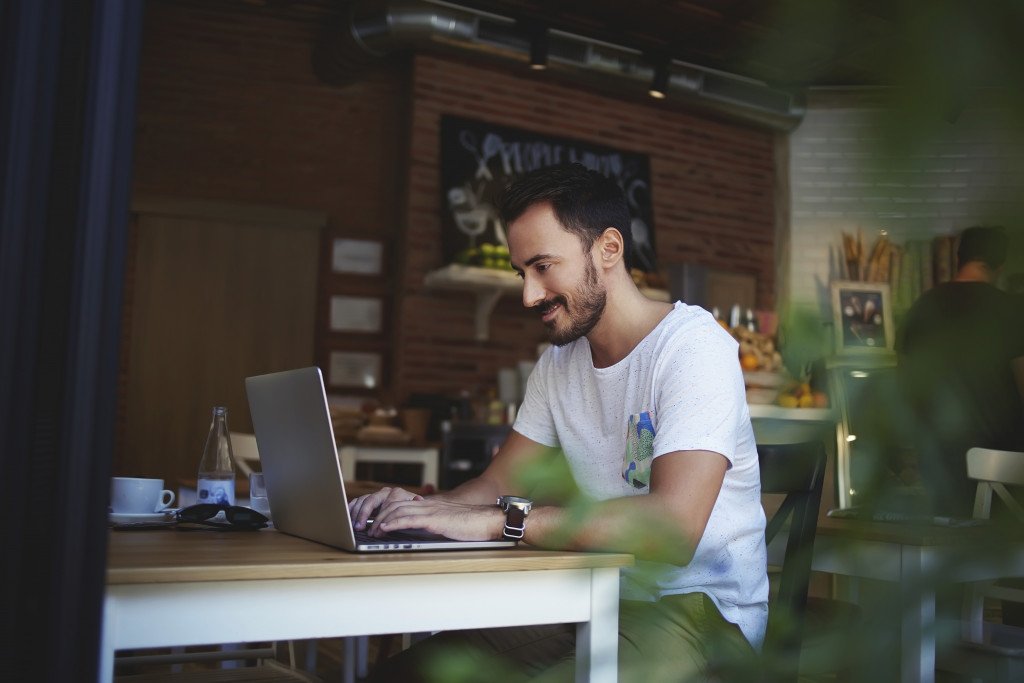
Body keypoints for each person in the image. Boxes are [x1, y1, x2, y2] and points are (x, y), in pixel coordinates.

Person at [350, 163, 768, 682]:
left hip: (699, 614)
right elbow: (498, 483)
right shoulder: (559, 364)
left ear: (608, 249)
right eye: (522, 272)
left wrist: (505, 521)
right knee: (410, 675)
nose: (529, 295)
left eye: (544, 266)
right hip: (595, 594)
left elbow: (672, 529)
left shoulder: (693, 348)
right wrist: (417, 510)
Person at [897, 226, 1024, 518]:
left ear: (958, 258)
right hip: (1003, 463)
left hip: (940, 464)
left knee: (945, 546)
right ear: (1000, 266)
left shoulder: (922, 307)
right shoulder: (1012, 310)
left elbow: (904, 390)